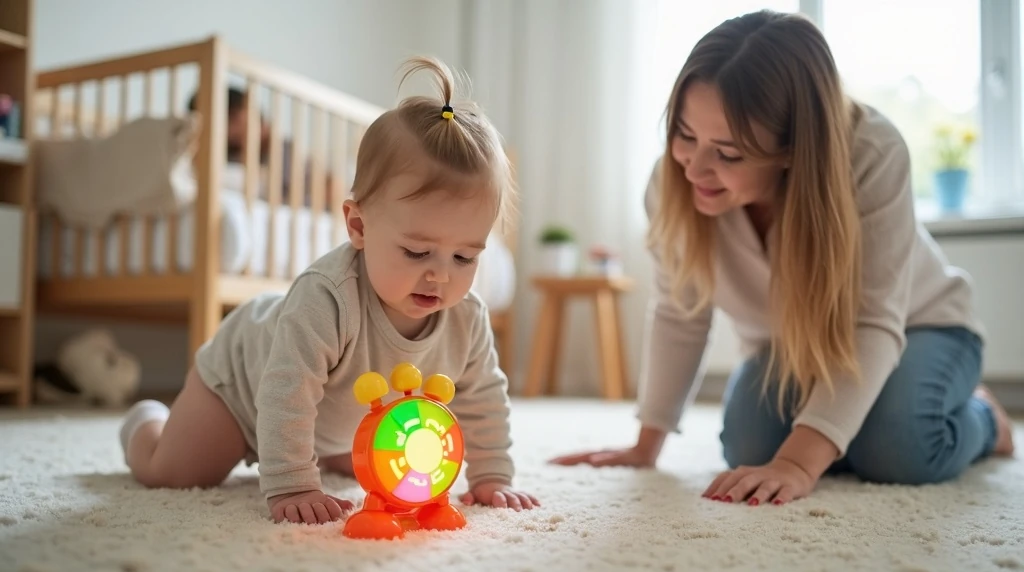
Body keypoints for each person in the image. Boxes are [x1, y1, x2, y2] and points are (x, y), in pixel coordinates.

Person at [551, 10, 1015, 505]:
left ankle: (985, 418)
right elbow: (679, 314)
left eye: (728, 153)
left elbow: (875, 323)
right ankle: (852, 424)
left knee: (898, 449)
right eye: (685, 135)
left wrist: (799, 462)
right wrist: (647, 444)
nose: (695, 169)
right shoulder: (671, 181)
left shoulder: (874, 153)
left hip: (921, 326)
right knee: (748, 446)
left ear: (793, 149)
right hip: (793, 347)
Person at [120, 56, 539, 524]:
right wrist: (294, 484)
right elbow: (286, 392)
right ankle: (144, 423)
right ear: (358, 226)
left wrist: (493, 475)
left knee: (358, 456)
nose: (441, 275)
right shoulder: (327, 297)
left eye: (465, 257)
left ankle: (319, 447)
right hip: (241, 387)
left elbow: (483, 397)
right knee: (176, 472)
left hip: (326, 422)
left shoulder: (468, 318)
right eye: (418, 253)